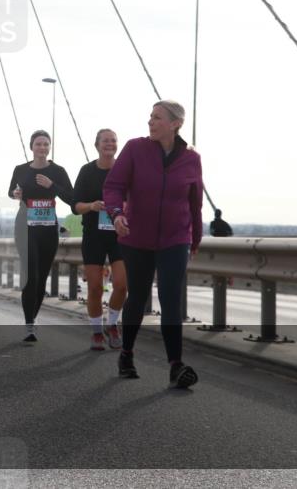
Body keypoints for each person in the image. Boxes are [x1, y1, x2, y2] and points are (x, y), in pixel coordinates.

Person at [104, 100, 203, 388]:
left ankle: (175, 365)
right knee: (137, 297)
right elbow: (114, 186)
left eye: (157, 118)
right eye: (150, 116)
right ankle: (126, 353)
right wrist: (117, 214)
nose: (151, 122)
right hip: (136, 236)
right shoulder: (135, 149)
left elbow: (195, 204)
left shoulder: (191, 159)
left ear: (175, 124)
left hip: (175, 238)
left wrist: (194, 238)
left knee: (171, 300)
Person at [8, 130, 75, 344]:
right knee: (31, 276)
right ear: (31, 147)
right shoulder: (20, 169)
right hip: (25, 227)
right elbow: (12, 191)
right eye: (38, 144)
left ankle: (33, 317)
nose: (42, 148)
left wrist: (52, 186)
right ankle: (29, 324)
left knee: (41, 278)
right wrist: (16, 194)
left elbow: (72, 197)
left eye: (46, 144)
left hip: (47, 229)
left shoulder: (58, 171)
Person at [73, 128, 128, 351]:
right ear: (96, 145)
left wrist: (126, 207)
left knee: (122, 286)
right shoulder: (87, 171)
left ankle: (112, 325)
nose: (110, 144)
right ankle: (97, 332)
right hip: (94, 236)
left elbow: (137, 198)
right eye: (105, 141)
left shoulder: (125, 171)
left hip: (120, 235)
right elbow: (76, 206)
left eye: (113, 140)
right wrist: (92, 206)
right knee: (95, 288)